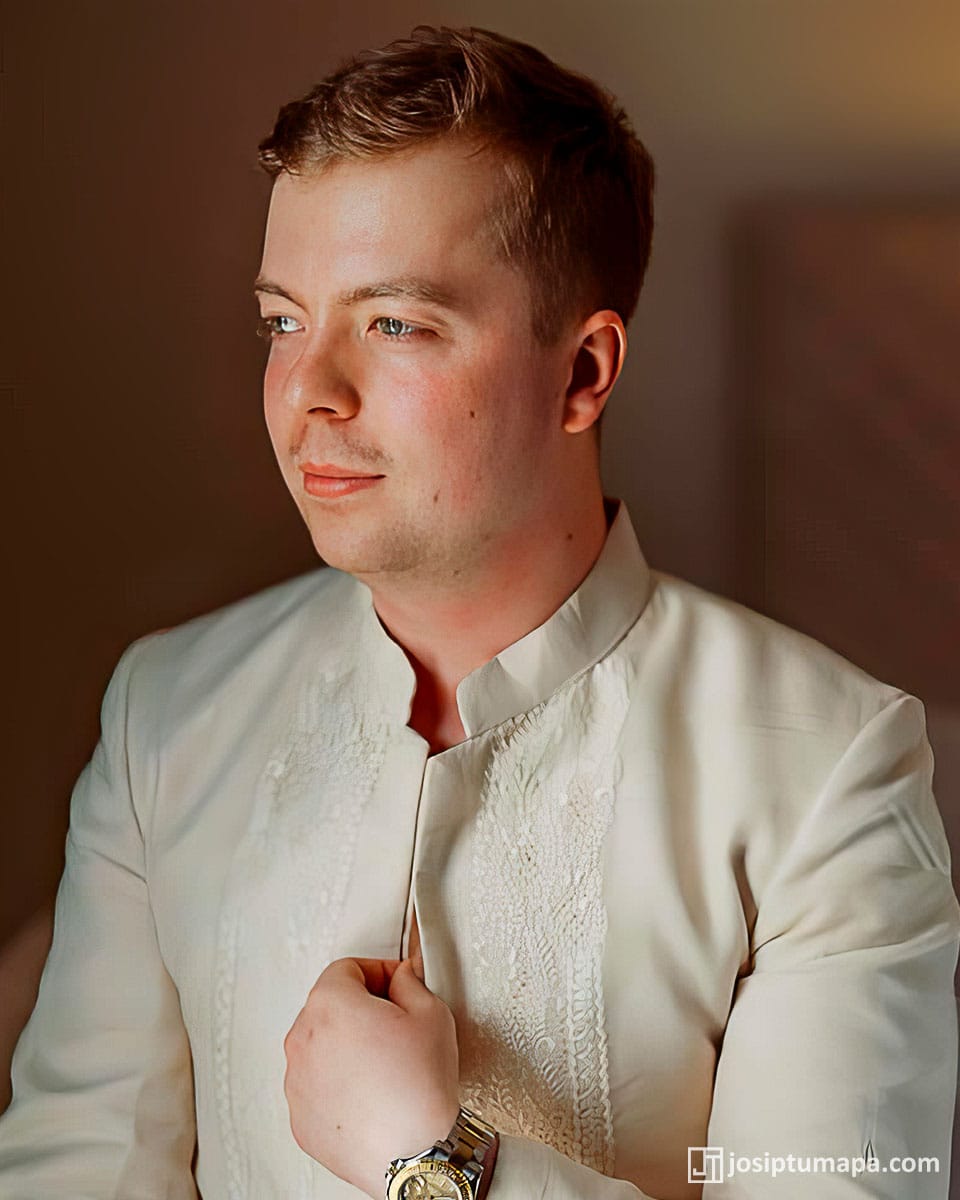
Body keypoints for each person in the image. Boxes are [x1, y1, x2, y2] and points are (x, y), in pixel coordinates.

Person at [0, 23, 957, 1200]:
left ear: (582, 373)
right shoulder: (166, 709)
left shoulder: (827, 770)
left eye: (395, 323)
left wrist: (435, 1164)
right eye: (283, 320)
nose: (309, 393)